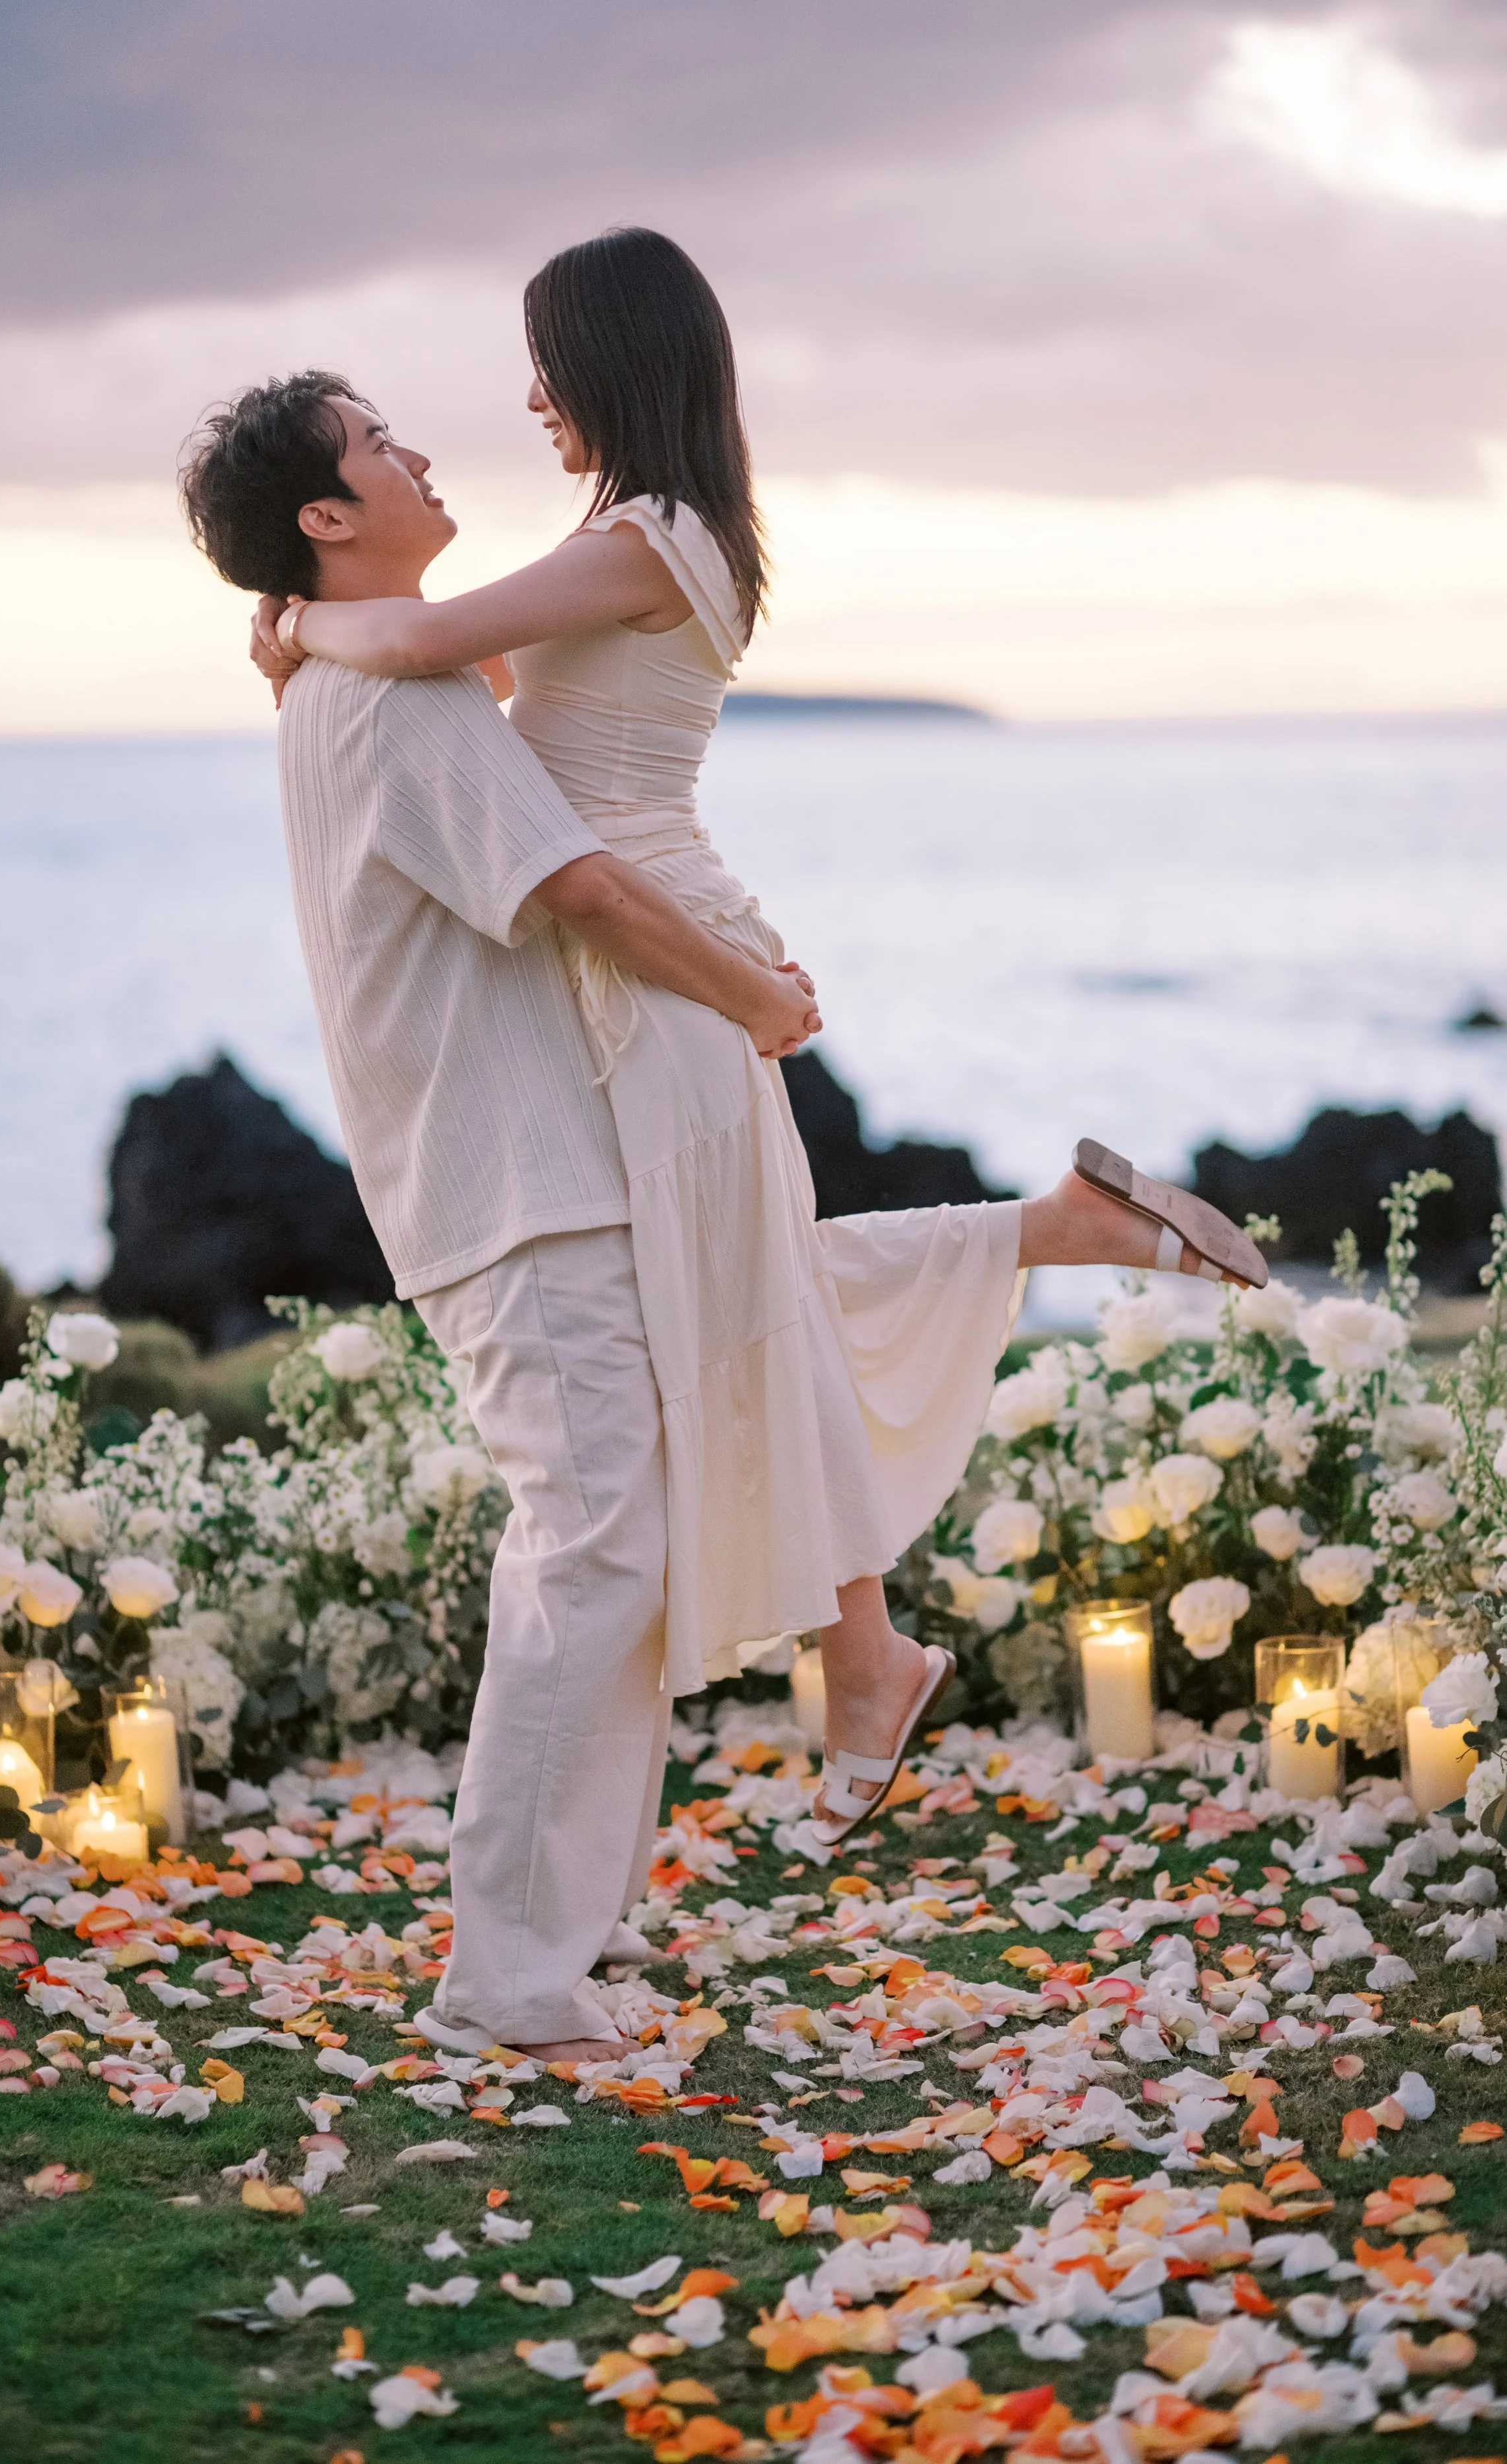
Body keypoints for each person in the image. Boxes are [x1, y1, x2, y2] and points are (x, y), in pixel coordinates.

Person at [248, 229, 1267, 1871]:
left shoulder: (653, 534)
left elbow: (431, 650)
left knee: (735, 1301)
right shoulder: (636, 535)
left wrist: (302, 625)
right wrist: (338, 641)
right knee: (735, 1294)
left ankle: (867, 1645)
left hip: (658, 955)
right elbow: (499, 675)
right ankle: (920, 1520)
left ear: (613, 365)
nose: (524, 400)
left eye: (546, 368)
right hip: (648, 946)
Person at [182, 368, 820, 2063]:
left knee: (608, 1544)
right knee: (594, 1545)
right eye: (377, 447)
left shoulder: (367, 680)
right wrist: (758, 997)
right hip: (512, 1186)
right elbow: (585, 892)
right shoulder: (399, 706)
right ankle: (511, 1971)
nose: (416, 452)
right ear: (327, 520)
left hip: (505, 1173)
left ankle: (552, 1939)